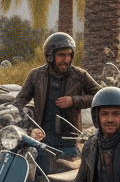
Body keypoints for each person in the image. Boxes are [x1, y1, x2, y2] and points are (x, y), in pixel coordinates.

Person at [11, 31, 99, 172]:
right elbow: (19, 102)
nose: (67, 59)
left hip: (69, 144)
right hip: (41, 142)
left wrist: (74, 101)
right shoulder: (36, 75)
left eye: (69, 55)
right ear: (50, 56)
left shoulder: (80, 75)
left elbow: (101, 96)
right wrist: (17, 120)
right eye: (62, 55)